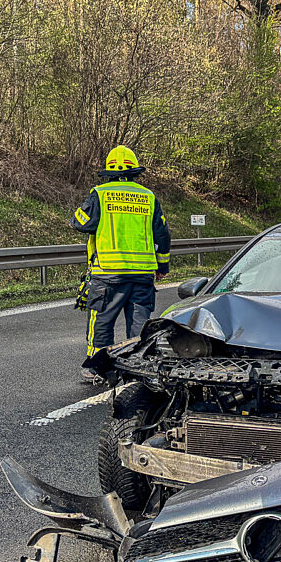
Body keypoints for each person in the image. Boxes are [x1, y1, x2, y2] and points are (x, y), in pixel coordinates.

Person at [70, 145, 171, 383]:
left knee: (102, 319)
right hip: (142, 273)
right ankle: (137, 368)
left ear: (108, 170)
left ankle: (95, 369)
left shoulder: (101, 193)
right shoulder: (148, 197)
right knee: (139, 323)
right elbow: (163, 235)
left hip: (108, 272)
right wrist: (162, 267)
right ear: (135, 170)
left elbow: (80, 222)